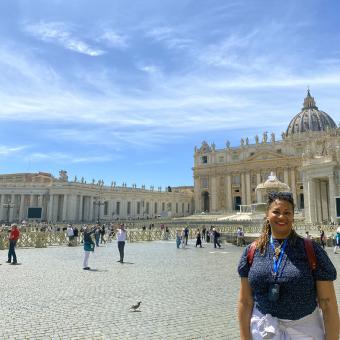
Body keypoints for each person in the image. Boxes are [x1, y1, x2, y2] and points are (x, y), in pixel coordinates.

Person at [237, 192, 339, 339]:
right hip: (263, 331)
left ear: (293, 216)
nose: (281, 217)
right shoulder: (252, 251)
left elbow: (327, 302)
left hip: (305, 332)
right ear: (267, 214)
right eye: (276, 212)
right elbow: (245, 301)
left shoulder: (311, 250)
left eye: (287, 212)